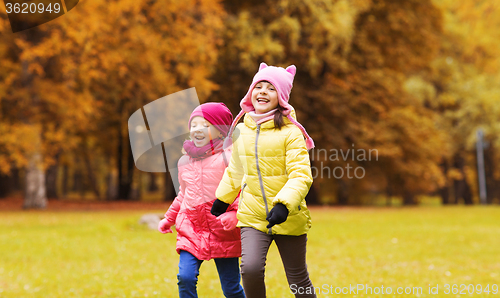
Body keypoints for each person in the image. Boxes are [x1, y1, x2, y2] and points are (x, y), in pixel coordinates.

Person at [211, 63, 317, 298]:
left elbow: (301, 175)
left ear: (281, 98)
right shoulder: (242, 130)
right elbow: (236, 170)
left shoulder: (291, 132)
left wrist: (283, 204)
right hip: (253, 215)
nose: (262, 92)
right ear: (251, 93)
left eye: (271, 88)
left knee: (298, 277)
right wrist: (222, 198)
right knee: (249, 270)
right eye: (258, 86)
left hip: (288, 215)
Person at [158, 102, 245, 298]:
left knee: (231, 288)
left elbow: (242, 190)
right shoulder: (184, 162)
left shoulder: (228, 158)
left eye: (205, 125)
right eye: (194, 125)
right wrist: (168, 218)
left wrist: (235, 213)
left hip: (224, 231)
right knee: (185, 277)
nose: (198, 129)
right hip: (192, 230)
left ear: (221, 131)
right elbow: (183, 194)